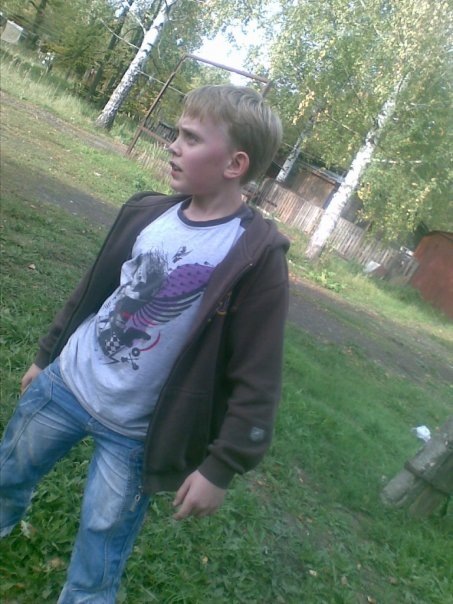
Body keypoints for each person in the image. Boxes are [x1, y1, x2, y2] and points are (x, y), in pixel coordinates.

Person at [0, 84, 289, 602]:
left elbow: (258, 374)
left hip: (135, 433)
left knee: (102, 537)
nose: (173, 145)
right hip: (66, 384)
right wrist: (47, 355)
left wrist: (221, 465)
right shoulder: (148, 212)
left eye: (190, 138)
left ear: (235, 164)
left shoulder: (256, 256)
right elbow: (93, 290)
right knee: (9, 471)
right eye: (177, 133)